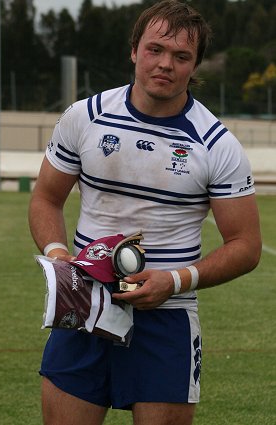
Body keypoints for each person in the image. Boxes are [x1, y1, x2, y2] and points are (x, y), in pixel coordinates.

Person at [28, 1, 262, 424]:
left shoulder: (216, 145)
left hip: (167, 320)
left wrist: (173, 281)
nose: (165, 64)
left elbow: (246, 246)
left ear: (195, 66)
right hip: (85, 306)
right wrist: (60, 256)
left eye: (181, 56)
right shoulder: (85, 118)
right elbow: (46, 198)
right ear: (134, 50)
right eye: (155, 49)